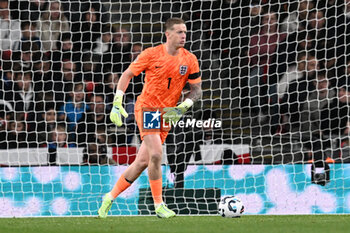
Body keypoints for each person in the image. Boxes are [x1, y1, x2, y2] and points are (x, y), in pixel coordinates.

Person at [98, 18, 202, 219]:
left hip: (168, 114)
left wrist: (182, 108)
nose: (183, 36)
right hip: (148, 108)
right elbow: (127, 74)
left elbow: (196, 90)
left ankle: (109, 197)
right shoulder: (151, 54)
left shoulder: (190, 59)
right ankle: (159, 205)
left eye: (185, 32)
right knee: (156, 154)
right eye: (179, 32)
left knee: (142, 162)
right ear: (168, 34)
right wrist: (117, 101)